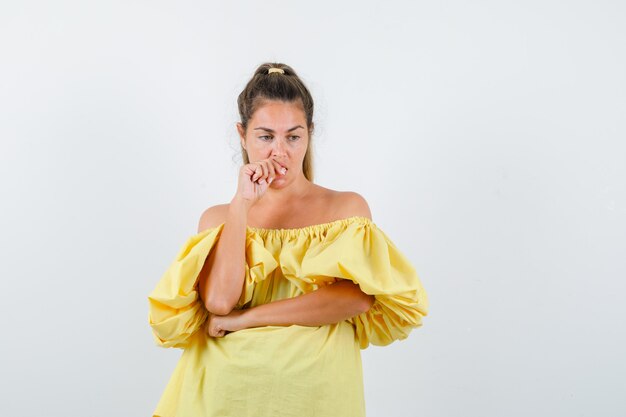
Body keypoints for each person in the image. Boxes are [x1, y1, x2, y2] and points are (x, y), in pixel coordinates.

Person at [147, 62, 429, 417]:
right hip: (223, 396)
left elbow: (356, 299)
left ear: (309, 134)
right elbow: (219, 301)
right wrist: (241, 205)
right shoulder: (219, 218)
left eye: (292, 137)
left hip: (316, 398)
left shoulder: (345, 209)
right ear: (242, 135)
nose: (279, 152)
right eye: (265, 137)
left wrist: (244, 320)